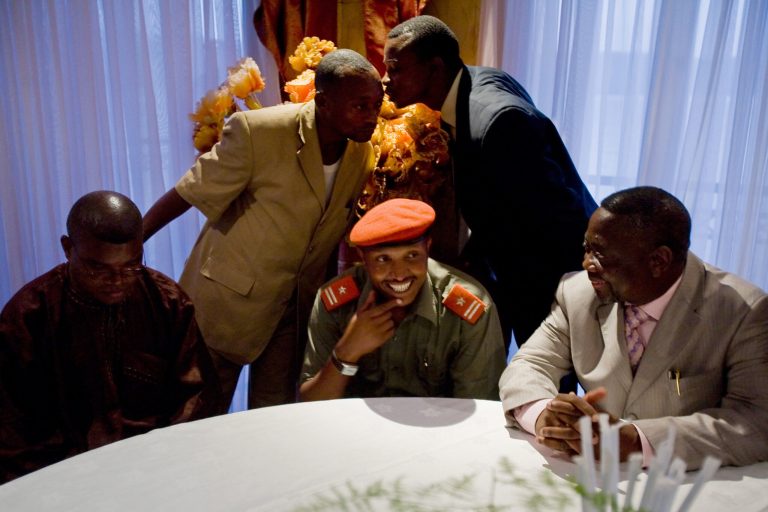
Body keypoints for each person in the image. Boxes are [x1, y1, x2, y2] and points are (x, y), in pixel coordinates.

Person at [142, 49, 384, 410]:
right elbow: (189, 191)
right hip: (227, 305)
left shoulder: (360, 153)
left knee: (274, 421)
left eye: (376, 105)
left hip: (292, 313)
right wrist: (135, 239)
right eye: (360, 106)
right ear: (324, 101)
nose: (372, 117)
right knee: (199, 418)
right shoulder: (260, 132)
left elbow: (332, 233)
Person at [499, 186, 768, 470]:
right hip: (590, 477)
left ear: (658, 261)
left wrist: (637, 440)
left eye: (600, 255)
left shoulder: (743, 312)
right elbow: (529, 364)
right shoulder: (577, 292)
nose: (586, 264)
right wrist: (545, 414)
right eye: (586, 248)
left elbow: (754, 420)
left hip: (690, 484)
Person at [382, 15, 597, 351]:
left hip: (547, 278)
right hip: (520, 267)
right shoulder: (476, 79)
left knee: (546, 384)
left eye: (395, 68)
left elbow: (552, 216)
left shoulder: (498, 122)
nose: (386, 80)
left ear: (435, 68)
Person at [0, 191, 220, 483]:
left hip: (153, 466)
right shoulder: (29, 315)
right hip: (59, 473)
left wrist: (167, 464)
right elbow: (12, 427)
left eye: (131, 265)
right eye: (97, 268)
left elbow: (196, 399)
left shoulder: (168, 303)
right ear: (68, 248)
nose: (117, 281)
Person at [300, 198, 506, 401]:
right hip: (359, 430)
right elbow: (312, 407)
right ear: (362, 257)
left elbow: (479, 411)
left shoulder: (469, 310)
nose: (399, 274)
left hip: (440, 430)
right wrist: (347, 352)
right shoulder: (335, 302)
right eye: (383, 259)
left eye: (412, 255)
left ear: (428, 246)